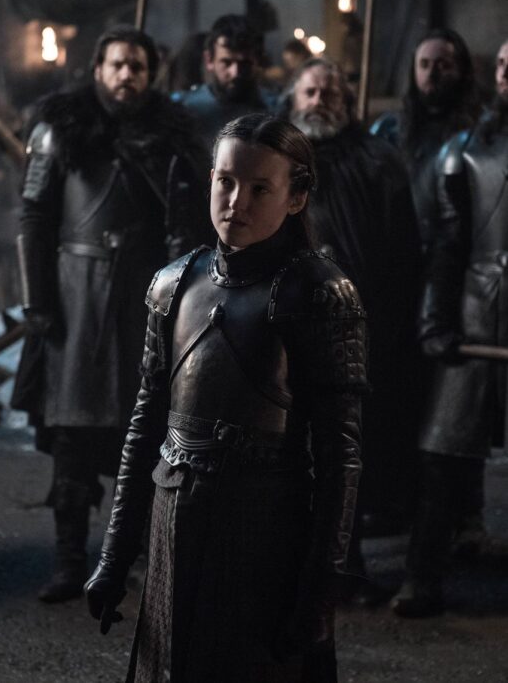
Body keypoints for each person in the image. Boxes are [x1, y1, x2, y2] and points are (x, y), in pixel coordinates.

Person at [85, 113, 367, 683]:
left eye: (260, 188)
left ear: (295, 197)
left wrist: (319, 593)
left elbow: (341, 455)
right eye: (226, 181)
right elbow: (146, 423)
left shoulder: (320, 293)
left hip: (263, 528)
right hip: (174, 519)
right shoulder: (172, 283)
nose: (236, 201)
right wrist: (114, 557)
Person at [11, 24, 209, 604]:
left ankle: (143, 558)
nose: (127, 75)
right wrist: (38, 302)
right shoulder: (60, 131)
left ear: (150, 75)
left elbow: (186, 221)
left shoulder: (169, 138)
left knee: (146, 429)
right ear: (98, 69)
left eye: (137, 67)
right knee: (72, 431)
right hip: (76, 296)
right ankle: (69, 560)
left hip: (145, 296)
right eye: (118, 64)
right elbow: (34, 218)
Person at [283, 57, 420, 598]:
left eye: (330, 93)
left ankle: (345, 558)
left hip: (360, 326)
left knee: (349, 447)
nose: (319, 102)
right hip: (289, 323)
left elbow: (403, 251)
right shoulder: (277, 161)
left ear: (346, 102)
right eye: (310, 93)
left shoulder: (378, 161)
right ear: (294, 100)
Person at [391, 38, 508, 617]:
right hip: (475, 309)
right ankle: (423, 574)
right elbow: (449, 242)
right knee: (442, 450)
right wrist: (436, 317)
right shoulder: (463, 150)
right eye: (504, 63)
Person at [371, 28, 481, 255]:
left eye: (442, 65)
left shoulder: (479, 133)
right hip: (398, 250)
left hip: (457, 251)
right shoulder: (389, 130)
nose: (431, 73)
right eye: (424, 64)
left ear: (461, 70)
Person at [171, 15, 277, 152]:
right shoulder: (186, 109)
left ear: (258, 61)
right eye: (226, 62)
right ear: (209, 60)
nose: (235, 72)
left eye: (245, 64)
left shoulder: (275, 108)